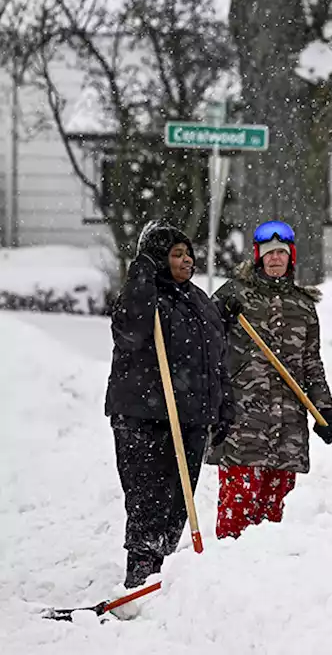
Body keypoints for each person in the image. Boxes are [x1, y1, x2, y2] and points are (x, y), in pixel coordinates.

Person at [105, 222, 235, 588]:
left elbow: (216, 359)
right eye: (176, 254)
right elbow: (129, 331)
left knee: (179, 503)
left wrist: (222, 406)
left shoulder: (198, 301)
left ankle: (162, 573)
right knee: (148, 502)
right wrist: (142, 273)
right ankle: (141, 574)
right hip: (144, 418)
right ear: (157, 260)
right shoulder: (144, 296)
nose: (187, 260)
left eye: (188, 253)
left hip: (191, 420)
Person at [207, 220, 332, 540]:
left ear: (291, 257)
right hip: (242, 422)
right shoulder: (234, 295)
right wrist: (219, 317)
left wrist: (325, 411)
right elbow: (201, 340)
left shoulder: (303, 305)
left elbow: (311, 363)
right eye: (269, 253)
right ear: (258, 257)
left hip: (288, 427)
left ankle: (264, 581)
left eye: (281, 252)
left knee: (273, 515)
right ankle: (223, 573)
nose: (275, 259)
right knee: (238, 507)